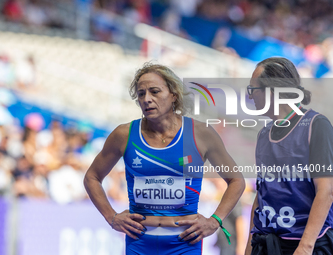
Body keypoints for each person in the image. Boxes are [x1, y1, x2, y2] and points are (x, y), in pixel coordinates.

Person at [84, 62, 245, 254]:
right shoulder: (124, 134)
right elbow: (91, 177)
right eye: (141, 94)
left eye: (154, 91)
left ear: (173, 95)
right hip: (140, 243)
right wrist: (111, 217)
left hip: (185, 244)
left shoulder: (201, 133)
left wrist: (215, 221)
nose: (147, 99)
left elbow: (236, 180)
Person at [244, 57, 333, 255]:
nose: (250, 97)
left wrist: (305, 247)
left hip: (307, 243)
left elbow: (326, 191)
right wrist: (248, 248)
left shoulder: (316, 125)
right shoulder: (263, 134)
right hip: (267, 243)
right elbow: (261, 197)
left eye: (253, 90)